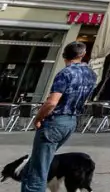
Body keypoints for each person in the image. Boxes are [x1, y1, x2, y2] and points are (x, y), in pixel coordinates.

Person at [19, 42, 95, 192]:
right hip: (71, 121)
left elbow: (52, 102)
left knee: (37, 169)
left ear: (64, 55)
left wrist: (38, 118)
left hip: (55, 121)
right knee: (36, 164)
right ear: (82, 55)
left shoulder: (65, 73)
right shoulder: (91, 74)